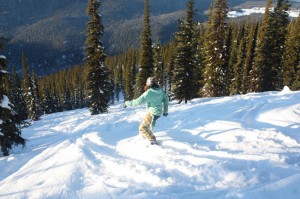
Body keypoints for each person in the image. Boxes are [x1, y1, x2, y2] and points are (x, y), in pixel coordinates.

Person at [124, 77, 168, 144]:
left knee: (143, 128)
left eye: (147, 84)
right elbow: (165, 100)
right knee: (145, 126)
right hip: (158, 112)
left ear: (149, 84)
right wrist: (165, 111)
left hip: (152, 113)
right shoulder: (160, 91)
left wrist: (127, 103)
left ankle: (152, 140)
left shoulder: (149, 93)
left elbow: (137, 102)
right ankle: (143, 137)